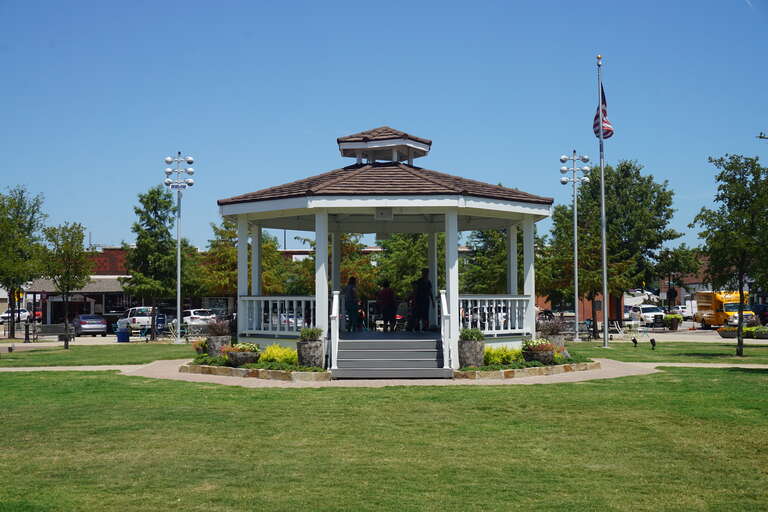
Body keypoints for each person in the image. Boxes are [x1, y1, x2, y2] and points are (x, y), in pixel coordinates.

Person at [413, 268, 434, 332]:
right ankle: (417, 327)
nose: (425, 274)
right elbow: (415, 290)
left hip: (426, 300)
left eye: (426, 273)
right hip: (418, 300)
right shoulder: (419, 281)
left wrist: (432, 301)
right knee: (417, 314)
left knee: (425, 314)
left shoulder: (428, 282)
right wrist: (414, 299)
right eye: (424, 273)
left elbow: (430, 292)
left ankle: (425, 327)